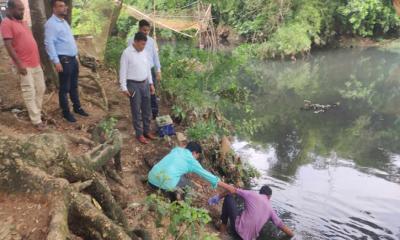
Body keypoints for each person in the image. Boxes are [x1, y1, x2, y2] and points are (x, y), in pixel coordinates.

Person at [0, 0, 46, 130]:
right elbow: (8, 46)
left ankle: (36, 111)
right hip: (24, 64)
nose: (22, 11)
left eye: (23, 9)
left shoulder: (24, 22)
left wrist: (40, 60)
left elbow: (30, 42)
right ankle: (36, 120)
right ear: (10, 9)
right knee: (29, 91)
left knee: (41, 88)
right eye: (19, 9)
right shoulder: (6, 23)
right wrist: (19, 64)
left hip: (35, 62)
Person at [44, 0, 88, 123]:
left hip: (73, 60)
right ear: (54, 8)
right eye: (61, 6)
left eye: (65, 6)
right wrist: (56, 61)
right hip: (64, 61)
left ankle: (77, 107)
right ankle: (66, 112)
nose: (65, 8)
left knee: (74, 85)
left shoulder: (64, 22)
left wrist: (76, 56)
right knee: (64, 88)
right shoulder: (51, 24)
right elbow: (49, 43)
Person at [208, 184, 294, 240]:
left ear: (260, 192)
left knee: (228, 197)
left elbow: (232, 189)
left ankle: (222, 231)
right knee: (243, 211)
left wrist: (218, 197)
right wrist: (292, 235)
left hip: (237, 232)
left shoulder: (252, 194)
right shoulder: (271, 210)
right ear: (269, 197)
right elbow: (281, 226)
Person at [120, 31, 157, 144]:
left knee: (147, 109)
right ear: (135, 42)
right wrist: (124, 87)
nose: (143, 47)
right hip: (133, 84)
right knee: (136, 110)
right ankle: (139, 134)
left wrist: (151, 84)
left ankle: (147, 131)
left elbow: (148, 70)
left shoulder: (144, 52)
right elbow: (123, 70)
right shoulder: (127, 53)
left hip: (145, 83)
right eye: (141, 44)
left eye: (144, 44)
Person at [148, 142, 220, 200]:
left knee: (173, 170)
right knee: (189, 185)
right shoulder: (192, 161)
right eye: (198, 155)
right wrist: (228, 187)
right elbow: (207, 175)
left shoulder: (177, 149)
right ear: (194, 153)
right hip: (164, 186)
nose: (197, 158)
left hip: (151, 179)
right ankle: (178, 199)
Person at [128, 20, 161, 119]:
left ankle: (154, 113)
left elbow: (155, 56)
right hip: (137, 71)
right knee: (140, 94)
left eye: (148, 30)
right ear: (139, 29)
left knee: (152, 92)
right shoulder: (131, 40)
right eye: (144, 30)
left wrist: (158, 69)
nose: (146, 32)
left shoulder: (151, 41)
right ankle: (142, 114)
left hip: (150, 70)